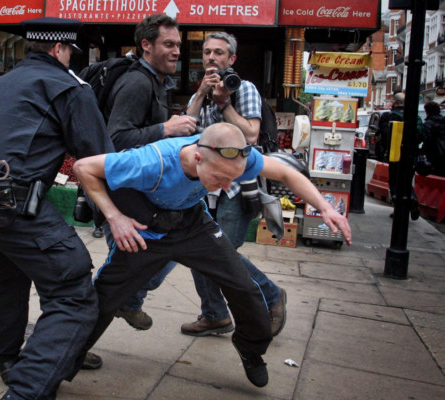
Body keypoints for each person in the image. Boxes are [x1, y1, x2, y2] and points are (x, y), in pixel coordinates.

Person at [73, 123, 352, 387]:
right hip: (148, 230)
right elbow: (83, 167)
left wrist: (325, 208)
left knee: (245, 287)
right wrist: (115, 217)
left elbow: (287, 173)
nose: (224, 185)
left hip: (193, 226)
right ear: (197, 158)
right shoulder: (151, 161)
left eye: (232, 178)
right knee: (105, 297)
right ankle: (68, 357)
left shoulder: (236, 159)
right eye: (218, 177)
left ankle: (249, 349)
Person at [0, 17, 114, 400]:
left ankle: (14, 360)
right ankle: (31, 383)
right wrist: (114, 217)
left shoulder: (3, 82)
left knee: (3, 278)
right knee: (72, 289)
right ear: (60, 49)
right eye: (71, 52)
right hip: (8, 202)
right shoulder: (70, 86)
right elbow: (100, 159)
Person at [181, 31, 286, 337]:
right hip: (204, 188)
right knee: (200, 250)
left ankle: (270, 294)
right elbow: (185, 133)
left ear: (231, 59)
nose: (212, 58)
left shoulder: (245, 89)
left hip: (238, 187)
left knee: (221, 252)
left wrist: (224, 103)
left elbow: (250, 135)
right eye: (207, 52)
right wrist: (201, 95)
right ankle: (214, 315)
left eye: (218, 53)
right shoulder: (199, 92)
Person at [105, 14, 197, 330]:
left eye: (178, 46)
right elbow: (116, 140)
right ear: (146, 45)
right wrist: (165, 128)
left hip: (139, 192)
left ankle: (125, 302)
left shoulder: (157, 82)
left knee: (146, 265)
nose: (176, 52)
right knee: (120, 277)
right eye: (168, 44)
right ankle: (64, 346)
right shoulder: (136, 83)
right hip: (122, 195)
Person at [377, 92, 421, 220]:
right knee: (406, 179)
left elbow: (384, 134)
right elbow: (420, 135)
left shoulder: (388, 116)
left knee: (394, 181)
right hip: (410, 155)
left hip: (394, 153)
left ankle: (398, 208)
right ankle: (411, 198)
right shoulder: (415, 117)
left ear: (394, 103)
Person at [422, 101, 445, 177]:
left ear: (427, 111)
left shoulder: (428, 124)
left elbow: (427, 140)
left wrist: (422, 152)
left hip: (434, 156)